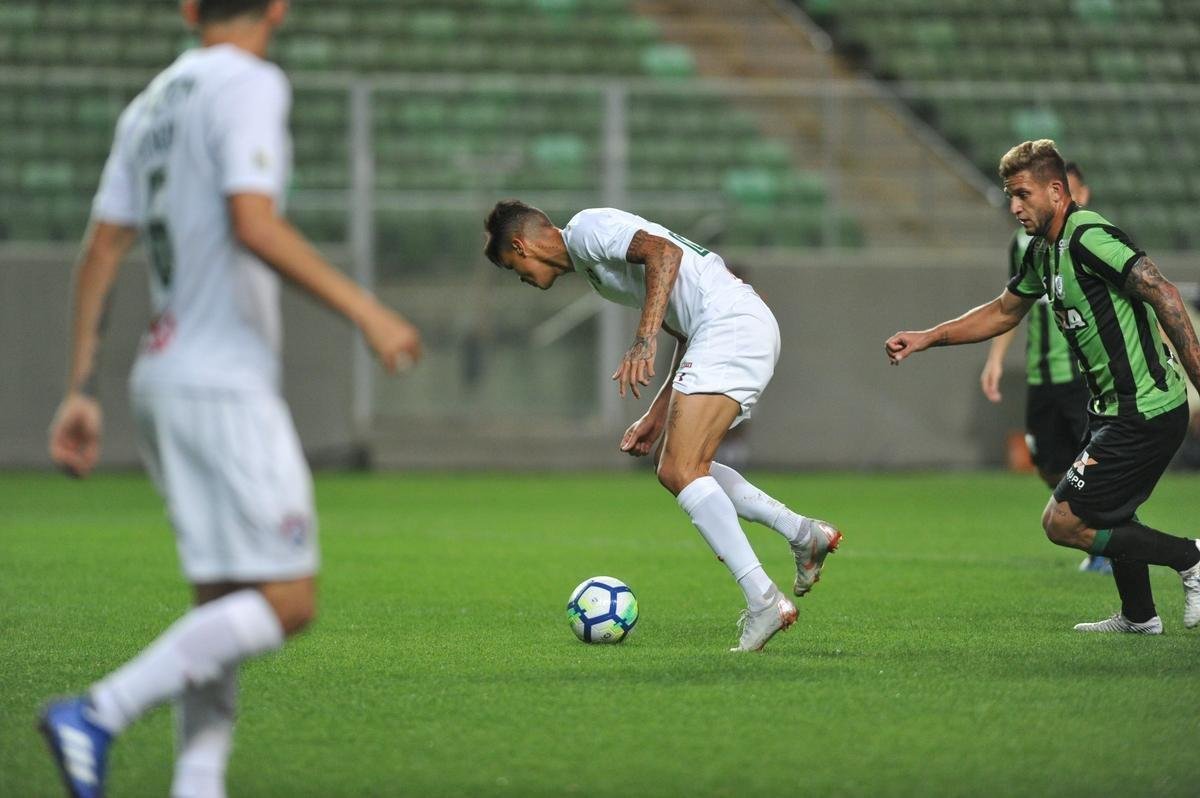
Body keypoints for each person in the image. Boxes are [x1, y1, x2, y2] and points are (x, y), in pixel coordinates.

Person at [39, 2, 422, 796]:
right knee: (288, 599)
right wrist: (368, 310)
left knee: (221, 606)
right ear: (277, 7)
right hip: (222, 381)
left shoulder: (150, 102)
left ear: (188, 8)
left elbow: (101, 248)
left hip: (163, 375)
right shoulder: (249, 83)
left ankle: (197, 785)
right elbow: (253, 221)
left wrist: (80, 388)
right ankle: (98, 712)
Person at [483, 200, 842, 652]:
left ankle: (764, 600)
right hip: (726, 328)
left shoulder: (586, 230)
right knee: (684, 468)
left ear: (521, 245)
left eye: (514, 267)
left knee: (681, 471)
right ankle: (803, 535)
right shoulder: (595, 271)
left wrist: (642, 339)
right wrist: (656, 415)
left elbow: (664, 254)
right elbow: (683, 327)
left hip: (729, 325)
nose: (522, 279)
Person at [886, 139, 1200, 635]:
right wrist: (930, 336)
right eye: (1010, 196)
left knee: (1065, 521)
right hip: (1112, 407)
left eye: (1022, 194)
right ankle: (1140, 615)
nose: (1014, 206)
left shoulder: (1087, 237)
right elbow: (1003, 310)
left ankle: (1191, 557)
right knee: (1112, 509)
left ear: (1056, 191)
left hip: (1144, 406)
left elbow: (1161, 289)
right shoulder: (1043, 252)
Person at [980, 162, 1111, 575]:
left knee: (1092, 463)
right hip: (1041, 376)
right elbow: (1011, 308)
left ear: (1080, 196)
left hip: (1081, 376)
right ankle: (1097, 533)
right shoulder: (1024, 245)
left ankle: (1110, 543)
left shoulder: (1094, 240)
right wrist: (996, 359)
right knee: (1049, 464)